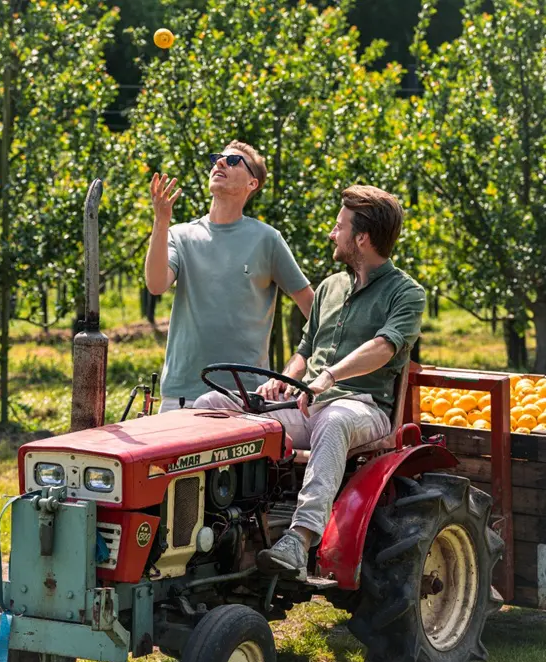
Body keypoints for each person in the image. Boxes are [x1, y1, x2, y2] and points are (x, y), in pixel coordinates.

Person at [194, 185, 426, 580]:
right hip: (306, 405)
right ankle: (208, 524)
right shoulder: (329, 288)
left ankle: (298, 541)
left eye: (339, 227)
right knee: (211, 407)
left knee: (334, 421)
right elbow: (304, 350)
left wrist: (330, 376)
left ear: (362, 238)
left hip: (362, 408)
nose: (332, 234)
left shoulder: (407, 293)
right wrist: (287, 379)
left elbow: (384, 347)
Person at [145, 140, 314, 413]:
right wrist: (161, 221)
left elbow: (314, 313)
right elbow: (155, 285)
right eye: (217, 159)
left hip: (244, 398)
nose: (220, 162)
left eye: (233, 161)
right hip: (181, 396)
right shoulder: (180, 235)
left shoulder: (268, 239)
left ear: (252, 183)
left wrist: (294, 371)